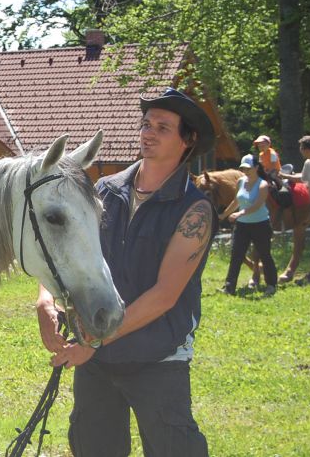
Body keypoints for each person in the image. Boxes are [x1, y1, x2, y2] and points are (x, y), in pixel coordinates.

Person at [35, 87, 217, 456]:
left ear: (188, 140)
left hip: (158, 358)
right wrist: (44, 299)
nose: (148, 133)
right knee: (94, 448)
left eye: (163, 128)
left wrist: (91, 342)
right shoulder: (104, 189)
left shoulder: (194, 210)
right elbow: (64, 253)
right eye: (146, 124)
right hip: (97, 361)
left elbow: (164, 295)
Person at [219, 155, 277, 296]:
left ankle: (271, 285)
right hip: (243, 226)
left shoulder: (263, 185)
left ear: (256, 168)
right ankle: (229, 287)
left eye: (248, 168)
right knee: (236, 255)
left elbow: (257, 205)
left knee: (264, 255)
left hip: (260, 225)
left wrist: (239, 214)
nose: (245, 171)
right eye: (243, 168)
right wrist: (223, 215)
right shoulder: (240, 182)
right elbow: (236, 202)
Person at [282, 135, 310, 286]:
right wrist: (284, 176)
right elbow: (303, 179)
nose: (300, 151)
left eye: (302, 148)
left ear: (307, 149)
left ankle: (309, 276)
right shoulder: (308, 163)